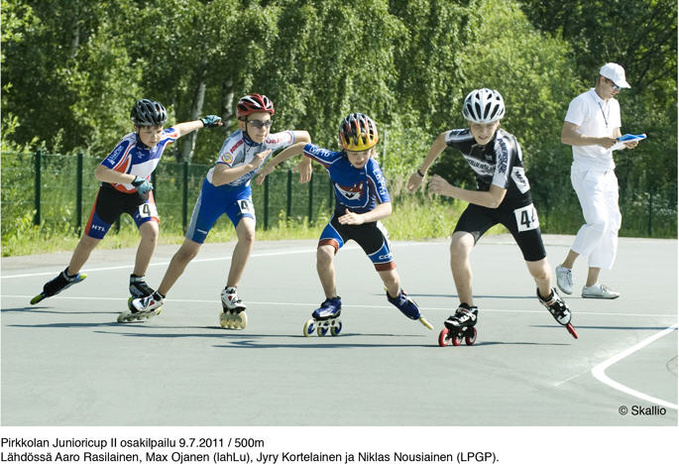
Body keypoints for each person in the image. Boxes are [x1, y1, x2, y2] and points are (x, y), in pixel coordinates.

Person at [124, 93, 311, 326]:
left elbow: (304, 137)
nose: (263, 129)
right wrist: (252, 166)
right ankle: (157, 298)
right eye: (256, 123)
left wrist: (301, 160)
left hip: (239, 193)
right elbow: (220, 177)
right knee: (189, 252)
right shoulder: (234, 144)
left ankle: (230, 292)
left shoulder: (271, 139)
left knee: (248, 235)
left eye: (267, 123)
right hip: (214, 193)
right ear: (242, 123)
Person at [406, 88, 575, 338]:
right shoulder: (462, 137)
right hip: (484, 199)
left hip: (516, 205)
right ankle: (467, 308)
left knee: (539, 272)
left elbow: (496, 199)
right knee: (458, 246)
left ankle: (548, 296)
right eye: (477, 125)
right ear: (468, 122)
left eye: (489, 125)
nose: (483, 131)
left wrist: (450, 190)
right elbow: (441, 139)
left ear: (499, 122)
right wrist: (421, 173)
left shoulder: (505, 146)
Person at [30, 99, 222, 305]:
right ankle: (69, 275)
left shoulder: (163, 138)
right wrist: (134, 180)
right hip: (112, 195)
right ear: (136, 128)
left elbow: (180, 129)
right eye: (148, 131)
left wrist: (203, 122)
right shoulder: (127, 145)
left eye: (158, 130)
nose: (154, 137)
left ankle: (137, 281)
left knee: (151, 232)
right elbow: (100, 172)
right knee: (89, 242)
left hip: (139, 195)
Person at [257, 112, 433, 334]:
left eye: (366, 152)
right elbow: (302, 146)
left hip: (368, 226)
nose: (360, 158)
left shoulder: (371, 169)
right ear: (343, 147)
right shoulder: (333, 160)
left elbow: (387, 208)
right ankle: (332, 301)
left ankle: (397, 297)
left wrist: (361, 218)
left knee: (392, 282)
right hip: (341, 220)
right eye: (354, 153)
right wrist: (272, 164)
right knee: (324, 253)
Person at [555, 63, 639, 299]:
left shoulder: (614, 105)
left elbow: (614, 136)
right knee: (598, 222)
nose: (617, 91)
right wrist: (598, 140)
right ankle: (566, 267)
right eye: (614, 86)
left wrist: (625, 142)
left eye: (620, 88)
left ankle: (592, 285)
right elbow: (566, 136)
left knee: (611, 224)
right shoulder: (581, 102)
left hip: (607, 170)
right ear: (602, 80)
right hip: (586, 171)